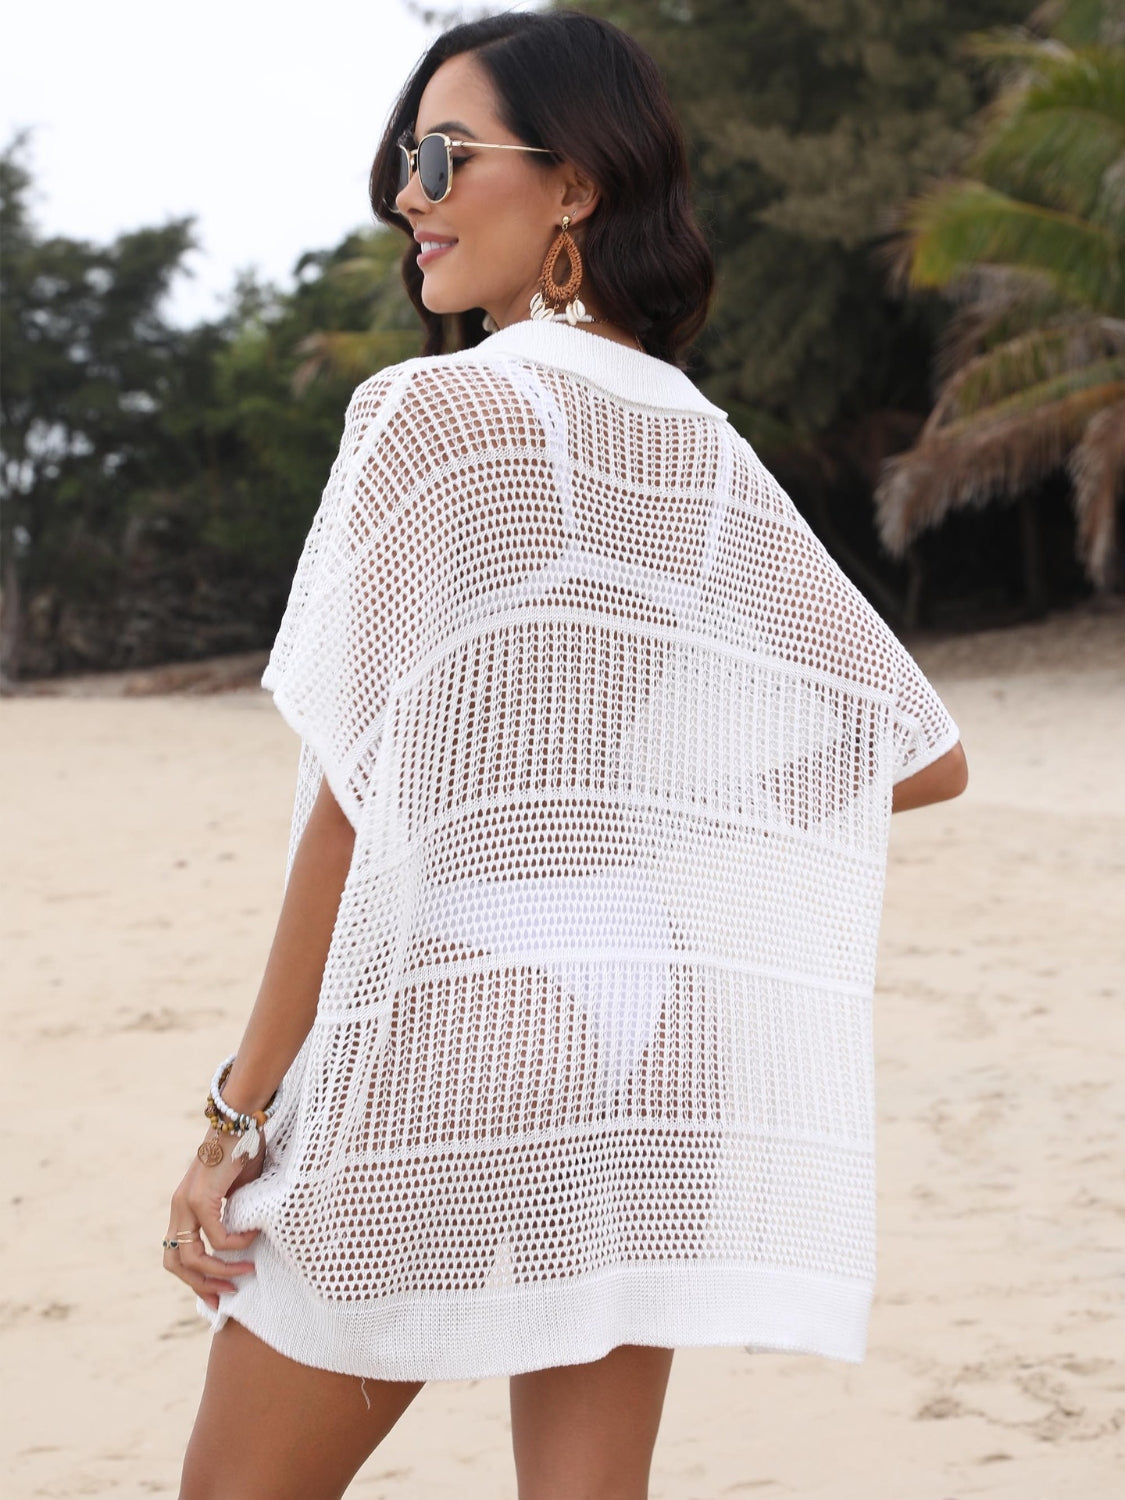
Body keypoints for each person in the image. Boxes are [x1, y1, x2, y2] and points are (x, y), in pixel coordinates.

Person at [164, 11, 969, 1499]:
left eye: (441, 155)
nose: (406, 193)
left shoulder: (430, 413)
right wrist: (642, 812)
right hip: (655, 1016)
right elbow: (919, 751)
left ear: (575, 188)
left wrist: (236, 1114)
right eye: (402, 160)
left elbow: (349, 802)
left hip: (477, 999)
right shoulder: (697, 445)